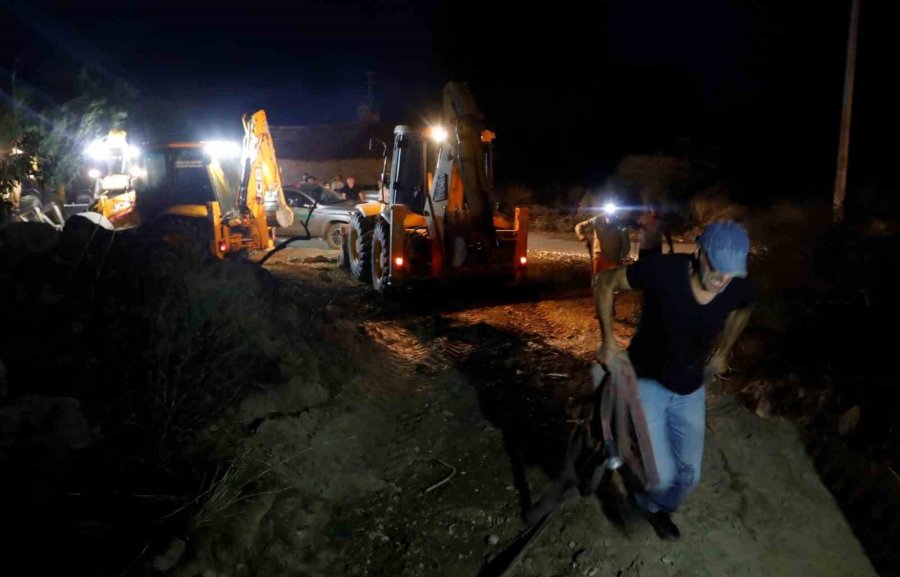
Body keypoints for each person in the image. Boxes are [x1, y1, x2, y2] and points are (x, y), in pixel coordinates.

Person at [593, 220, 753, 541]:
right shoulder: (663, 272)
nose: (723, 279)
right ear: (699, 252)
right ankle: (648, 499)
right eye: (717, 268)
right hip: (647, 382)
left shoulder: (736, 286)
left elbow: (744, 309)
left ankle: (651, 504)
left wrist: (724, 350)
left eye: (731, 272)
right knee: (663, 477)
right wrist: (608, 341)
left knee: (689, 478)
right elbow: (605, 282)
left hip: (690, 387)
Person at [575, 207, 631, 277]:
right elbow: (579, 226)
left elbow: (626, 244)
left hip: (614, 259)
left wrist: (622, 257)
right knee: (599, 281)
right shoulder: (597, 220)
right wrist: (583, 238)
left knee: (611, 283)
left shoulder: (621, 224)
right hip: (599, 257)